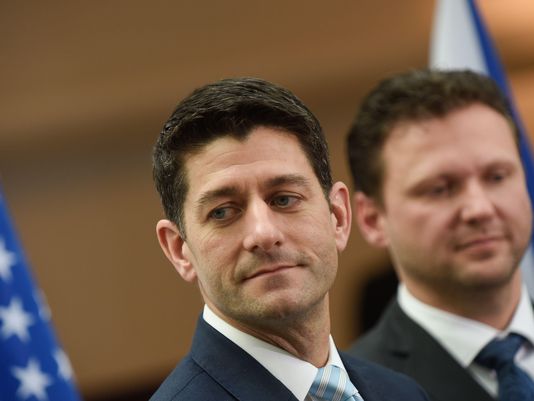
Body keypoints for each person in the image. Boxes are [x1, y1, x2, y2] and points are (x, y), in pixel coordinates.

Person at [149, 77, 429, 401]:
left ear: (338, 217)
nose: (264, 233)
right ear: (178, 250)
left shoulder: (402, 393)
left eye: (284, 199)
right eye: (223, 212)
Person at [346, 69, 534, 401]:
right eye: (440, 188)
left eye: (496, 176)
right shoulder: (356, 392)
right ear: (372, 219)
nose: (479, 208)